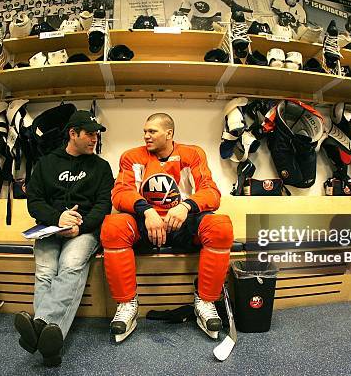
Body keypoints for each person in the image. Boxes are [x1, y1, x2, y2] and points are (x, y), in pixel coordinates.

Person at [100, 113, 234, 342]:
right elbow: (120, 193)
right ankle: (126, 304)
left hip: (182, 226)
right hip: (146, 226)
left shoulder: (192, 154)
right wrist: (147, 210)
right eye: (144, 131)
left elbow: (211, 192)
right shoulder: (131, 157)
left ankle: (205, 300)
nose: (146, 136)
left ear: (169, 133)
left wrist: (186, 206)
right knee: (113, 226)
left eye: (152, 131)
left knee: (220, 226)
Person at [15, 110, 114, 367]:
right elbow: (34, 203)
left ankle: (41, 326)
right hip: (50, 228)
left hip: (85, 231)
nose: (94, 139)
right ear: (73, 134)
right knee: (45, 271)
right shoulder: (46, 164)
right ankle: (50, 346)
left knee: (70, 265)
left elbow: (103, 206)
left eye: (96, 135)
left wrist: (79, 226)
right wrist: (58, 218)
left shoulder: (101, 168)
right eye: (89, 134)